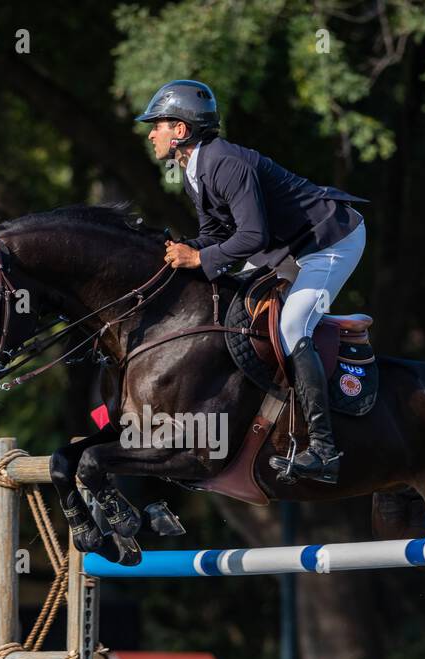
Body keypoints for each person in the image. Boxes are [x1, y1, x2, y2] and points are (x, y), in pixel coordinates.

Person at [136, 79, 367, 485]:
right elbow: (216, 233)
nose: (151, 131)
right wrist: (181, 251)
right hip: (285, 248)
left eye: (159, 124)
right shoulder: (193, 170)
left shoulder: (225, 163)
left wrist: (201, 257)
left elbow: (252, 237)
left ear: (181, 132)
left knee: (293, 325)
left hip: (329, 240)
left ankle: (325, 451)